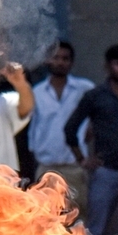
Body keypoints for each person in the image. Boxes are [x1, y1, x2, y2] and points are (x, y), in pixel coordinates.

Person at [66, 45, 118, 235]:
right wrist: (83, 159)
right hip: (106, 173)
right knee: (96, 230)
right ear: (108, 67)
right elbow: (70, 128)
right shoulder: (95, 96)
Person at [30, 41, 95, 217]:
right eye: (56, 58)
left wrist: (91, 127)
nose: (60, 62)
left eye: (65, 59)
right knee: (44, 220)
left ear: (71, 62)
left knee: (77, 220)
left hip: (74, 167)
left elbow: (98, 115)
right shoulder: (36, 92)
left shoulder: (85, 88)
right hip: (46, 168)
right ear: (47, 61)